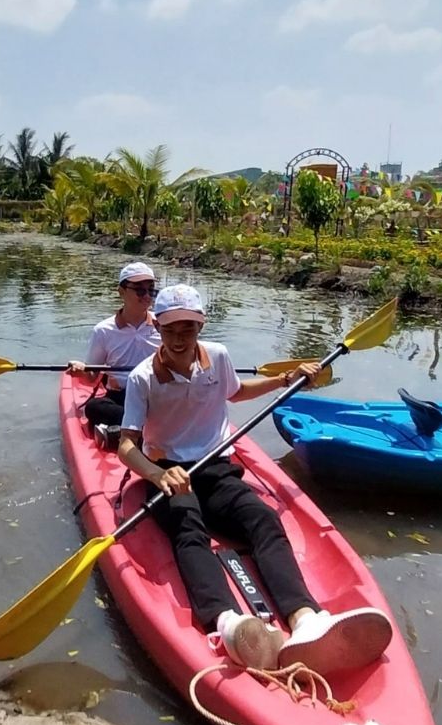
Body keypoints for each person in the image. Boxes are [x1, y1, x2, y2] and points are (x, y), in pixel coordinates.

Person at [117, 283, 392, 674]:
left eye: (188, 329)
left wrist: (285, 379)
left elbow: (237, 392)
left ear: (200, 326)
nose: (179, 338)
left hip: (216, 467)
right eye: (171, 329)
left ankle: (305, 619)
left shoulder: (218, 356)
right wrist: (158, 473)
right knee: (188, 528)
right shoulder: (143, 378)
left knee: (263, 519)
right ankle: (228, 623)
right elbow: (126, 446)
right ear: (157, 327)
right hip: (171, 474)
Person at [68, 261, 161, 433]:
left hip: (156, 396)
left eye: (151, 290)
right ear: (122, 292)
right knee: (94, 407)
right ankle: (145, 427)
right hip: (121, 397)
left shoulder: (162, 325)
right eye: (140, 290)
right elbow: (91, 376)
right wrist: (81, 369)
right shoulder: (104, 330)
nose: (147, 296)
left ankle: (125, 430)